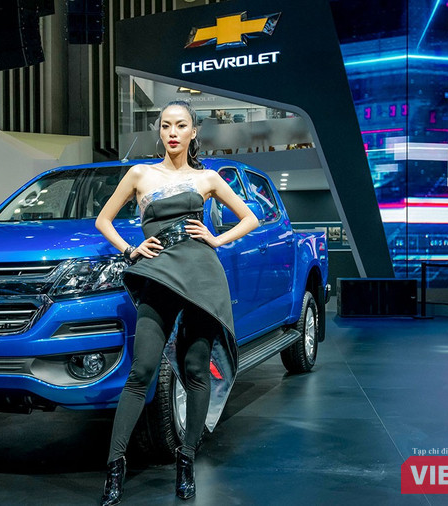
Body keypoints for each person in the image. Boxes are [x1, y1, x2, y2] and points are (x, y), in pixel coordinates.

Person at [94, 100, 259, 504]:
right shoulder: (140, 173)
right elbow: (103, 220)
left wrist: (216, 239)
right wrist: (131, 250)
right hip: (158, 275)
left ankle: (186, 460)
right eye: (166, 125)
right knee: (141, 371)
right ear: (159, 130)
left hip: (202, 277)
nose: (172, 132)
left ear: (193, 132)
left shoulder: (207, 178)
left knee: (195, 370)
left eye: (181, 125)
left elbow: (250, 217)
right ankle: (115, 467)